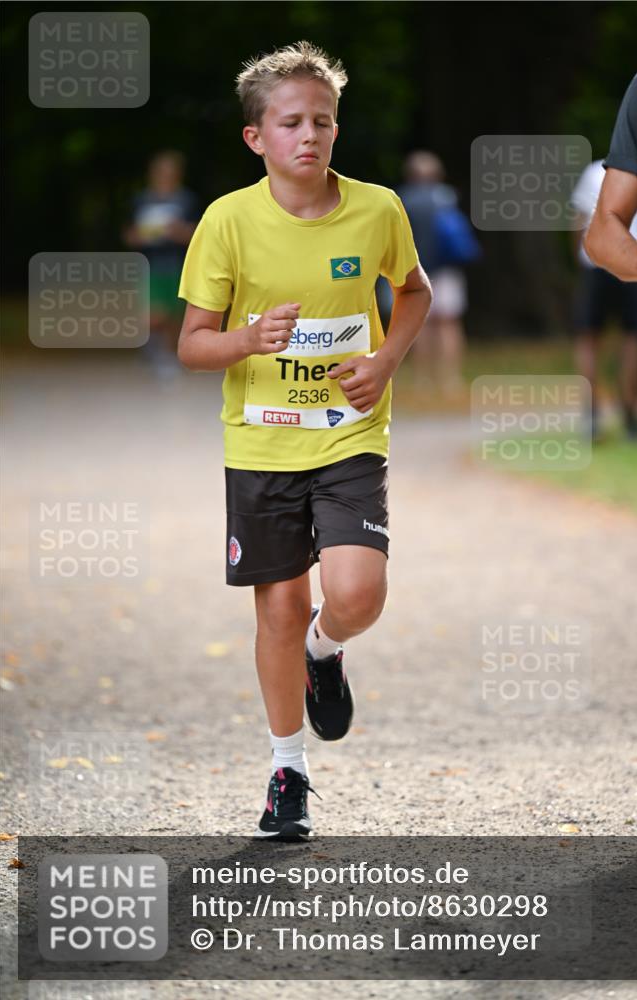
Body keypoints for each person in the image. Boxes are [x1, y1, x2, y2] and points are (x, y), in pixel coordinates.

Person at [176, 41, 431, 839]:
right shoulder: (227, 221)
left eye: (322, 120)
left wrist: (385, 360)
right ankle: (287, 771)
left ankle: (328, 650)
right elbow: (191, 343)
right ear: (258, 137)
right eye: (290, 123)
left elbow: (413, 294)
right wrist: (249, 339)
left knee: (357, 594)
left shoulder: (378, 208)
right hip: (260, 444)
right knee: (278, 609)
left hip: (350, 432)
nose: (309, 136)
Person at [584, 59, 637, 453]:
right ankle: (606, 412)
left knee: (618, 339)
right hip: (622, 273)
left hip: (614, 278)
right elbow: (598, 231)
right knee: (610, 338)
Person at [571, 158, 637, 439]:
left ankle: (591, 414)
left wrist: (582, 258)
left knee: (588, 337)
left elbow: (578, 221)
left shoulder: (595, 171)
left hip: (595, 263)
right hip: (635, 265)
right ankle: (629, 415)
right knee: (633, 338)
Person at [397, 151, 476, 396]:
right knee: (449, 323)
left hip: (415, 271)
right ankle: (451, 379)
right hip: (447, 270)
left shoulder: (402, 199)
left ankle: (422, 381)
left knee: (420, 325)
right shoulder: (446, 197)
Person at [123, 151, 200, 374]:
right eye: (161, 171)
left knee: (175, 313)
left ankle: (168, 356)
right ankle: (155, 351)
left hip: (178, 262)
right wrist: (141, 236)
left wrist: (178, 231)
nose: (165, 175)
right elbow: (129, 234)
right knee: (153, 314)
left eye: (170, 171)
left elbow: (198, 233)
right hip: (150, 263)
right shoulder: (142, 200)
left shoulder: (186, 200)